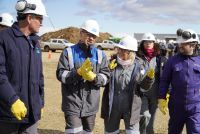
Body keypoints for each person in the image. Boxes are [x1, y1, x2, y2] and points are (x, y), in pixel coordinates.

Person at [0, 0, 47, 133]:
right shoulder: (3, 38)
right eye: (40, 19)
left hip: (31, 114)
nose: (42, 23)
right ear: (29, 17)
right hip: (8, 115)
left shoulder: (35, 43)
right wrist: (13, 100)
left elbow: (39, 76)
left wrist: (40, 103)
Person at [56, 19, 110, 134]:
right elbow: (61, 75)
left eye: (94, 36)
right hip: (72, 103)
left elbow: (106, 77)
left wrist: (95, 78)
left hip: (91, 105)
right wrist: (78, 73)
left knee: (87, 132)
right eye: (88, 34)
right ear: (81, 33)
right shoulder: (68, 52)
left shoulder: (100, 55)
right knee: (74, 131)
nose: (91, 38)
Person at [101, 35, 155, 134]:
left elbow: (144, 88)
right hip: (112, 107)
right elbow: (103, 82)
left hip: (131, 108)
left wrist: (149, 79)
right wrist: (108, 71)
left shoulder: (140, 66)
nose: (119, 52)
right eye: (119, 49)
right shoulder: (111, 63)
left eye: (123, 50)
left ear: (130, 52)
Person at [158, 28, 200, 134]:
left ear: (193, 44)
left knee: (195, 131)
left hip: (195, 106)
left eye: (183, 44)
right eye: (180, 43)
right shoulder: (172, 61)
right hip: (176, 105)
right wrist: (161, 97)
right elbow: (164, 80)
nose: (180, 45)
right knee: (173, 131)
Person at [137, 33, 160, 134]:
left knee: (152, 116)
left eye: (150, 42)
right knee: (145, 115)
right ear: (142, 43)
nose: (148, 44)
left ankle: (150, 131)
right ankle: (142, 132)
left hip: (155, 92)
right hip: (142, 91)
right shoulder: (138, 56)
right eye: (146, 42)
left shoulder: (159, 57)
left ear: (154, 43)